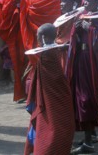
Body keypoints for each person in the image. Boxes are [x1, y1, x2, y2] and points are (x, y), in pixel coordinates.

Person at [66, 0, 98, 154]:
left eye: (88, 0)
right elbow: (75, 38)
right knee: (81, 97)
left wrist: (90, 29)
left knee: (90, 98)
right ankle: (89, 136)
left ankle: (96, 138)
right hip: (82, 60)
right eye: (84, 0)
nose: (84, 3)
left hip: (97, 64)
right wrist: (77, 30)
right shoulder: (82, 16)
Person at [24, 23, 75, 155]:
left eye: (38, 37)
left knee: (52, 130)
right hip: (53, 101)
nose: (37, 39)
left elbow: (51, 81)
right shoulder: (53, 53)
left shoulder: (48, 57)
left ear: (44, 38)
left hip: (50, 103)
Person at [15, 0, 61, 94]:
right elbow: (26, 9)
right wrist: (19, 0)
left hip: (47, 38)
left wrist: (22, 2)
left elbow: (52, 17)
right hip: (33, 36)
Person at [0, 0, 30, 101]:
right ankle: (20, 91)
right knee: (14, 62)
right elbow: (3, 11)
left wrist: (20, 1)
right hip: (13, 33)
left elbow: (29, 8)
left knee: (26, 62)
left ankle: (29, 92)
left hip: (25, 33)